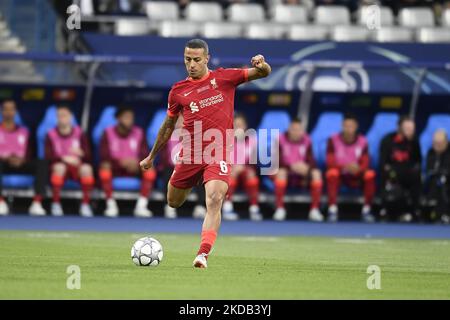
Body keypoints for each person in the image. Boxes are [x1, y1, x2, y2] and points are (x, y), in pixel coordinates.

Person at [140, 38, 271, 268]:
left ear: (207, 59)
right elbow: (168, 126)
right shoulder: (178, 91)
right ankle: (189, 179)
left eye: (196, 60)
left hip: (218, 150)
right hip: (190, 153)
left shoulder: (225, 78)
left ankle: (203, 254)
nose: (191, 64)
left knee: (214, 198)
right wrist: (152, 156)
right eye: (187, 59)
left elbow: (263, 73)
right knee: (173, 202)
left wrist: (262, 64)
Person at [99, 106, 156, 218]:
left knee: (149, 168)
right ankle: (110, 205)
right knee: (104, 167)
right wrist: (120, 162)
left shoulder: (139, 132)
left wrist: (136, 162)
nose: (129, 121)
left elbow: (145, 154)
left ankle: (142, 205)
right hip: (115, 167)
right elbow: (103, 155)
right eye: (126, 117)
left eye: (131, 118)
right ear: (118, 118)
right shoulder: (107, 133)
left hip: (135, 167)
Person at [45, 105, 95, 217]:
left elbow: (88, 155)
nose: (62, 118)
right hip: (59, 167)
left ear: (71, 117)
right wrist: (63, 158)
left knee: (87, 169)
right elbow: (47, 156)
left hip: (76, 167)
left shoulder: (80, 133)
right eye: (59, 116)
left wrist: (81, 154)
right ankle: (56, 203)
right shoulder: (50, 134)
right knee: (59, 167)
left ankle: (85, 204)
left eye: (65, 115)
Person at [0, 99, 48, 216]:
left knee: (42, 163)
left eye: (12, 109)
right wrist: (7, 159)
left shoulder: (24, 131)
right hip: (3, 163)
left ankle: (37, 203)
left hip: (21, 163)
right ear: (2, 111)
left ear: (16, 112)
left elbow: (30, 152)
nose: (9, 112)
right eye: (6, 109)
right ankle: (1, 202)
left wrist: (22, 160)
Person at [325, 113, 376, 222]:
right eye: (346, 126)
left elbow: (366, 162)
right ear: (342, 126)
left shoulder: (363, 141)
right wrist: (346, 166)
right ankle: (332, 209)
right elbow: (330, 162)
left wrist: (358, 169)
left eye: (351, 126)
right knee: (331, 173)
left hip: (357, 175)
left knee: (370, 174)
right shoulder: (333, 140)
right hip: (340, 174)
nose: (348, 129)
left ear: (356, 127)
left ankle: (367, 209)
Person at [272, 117, 324, 221]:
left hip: (302, 174)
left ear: (302, 131)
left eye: (298, 129)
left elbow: (312, 161)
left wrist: (307, 168)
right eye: (293, 129)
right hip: (285, 171)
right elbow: (275, 161)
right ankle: (280, 208)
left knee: (316, 173)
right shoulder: (280, 140)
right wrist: (291, 167)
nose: (296, 132)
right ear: (289, 129)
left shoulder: (307, 140)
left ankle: (314, 209)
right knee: (281, 172)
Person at [379, 115, 422, 222]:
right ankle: (389, 211)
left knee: (417, 177)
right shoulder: (388, 140)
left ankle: (415, 211)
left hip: (409, 174)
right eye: (406, 128)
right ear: (399, 127)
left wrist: (411, 141)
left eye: (411, 128)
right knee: (392, 178)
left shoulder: (414, 141)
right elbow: (383, 162)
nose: (409, 131)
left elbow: (418, 159)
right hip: (393, 174)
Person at [222, 113, 262, 221]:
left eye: (241, 125)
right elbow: (221, 160)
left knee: (251, 176)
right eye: (236, 125)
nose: (238, 128)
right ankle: (227, 208)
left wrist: (245, 167)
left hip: (245, 170)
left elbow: (256, 161)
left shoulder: (252, 140)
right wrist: (232, 167)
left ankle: (254, 208)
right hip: (230, 171)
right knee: (231, 175)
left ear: (245, 126)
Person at [425, 129, 449, 224]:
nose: (437, 145)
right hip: (433, 182)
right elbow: (429, 169)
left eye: (440, 143)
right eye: (435, 143)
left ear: (446, 142)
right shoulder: (431, 152)